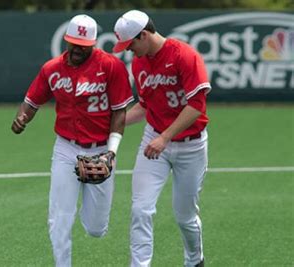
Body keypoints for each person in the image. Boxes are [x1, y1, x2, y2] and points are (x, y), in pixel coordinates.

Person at [11, 14, 134, 267]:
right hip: (65, 149)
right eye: (72, 43)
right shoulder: (52, 68)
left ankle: (89, 212)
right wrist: (23, 117)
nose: (76, 49)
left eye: (83, 45)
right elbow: (32, 101)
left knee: (96, 228)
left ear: (93, 43)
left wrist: (111, 152)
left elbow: (120, 111)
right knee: (59, 219)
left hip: (100, 150)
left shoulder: (111, 66)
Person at [112, 10, 210, 267]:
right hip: (153, 141)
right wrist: (112, 123)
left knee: (185, 217)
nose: (129, 51)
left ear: (143, 35)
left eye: (131, 44)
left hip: (191, 146)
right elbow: (145, 106)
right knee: (140, 209)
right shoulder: (139, 62)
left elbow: (197, 105)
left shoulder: (184, 55)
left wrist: (165, 137)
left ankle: (194, 261)